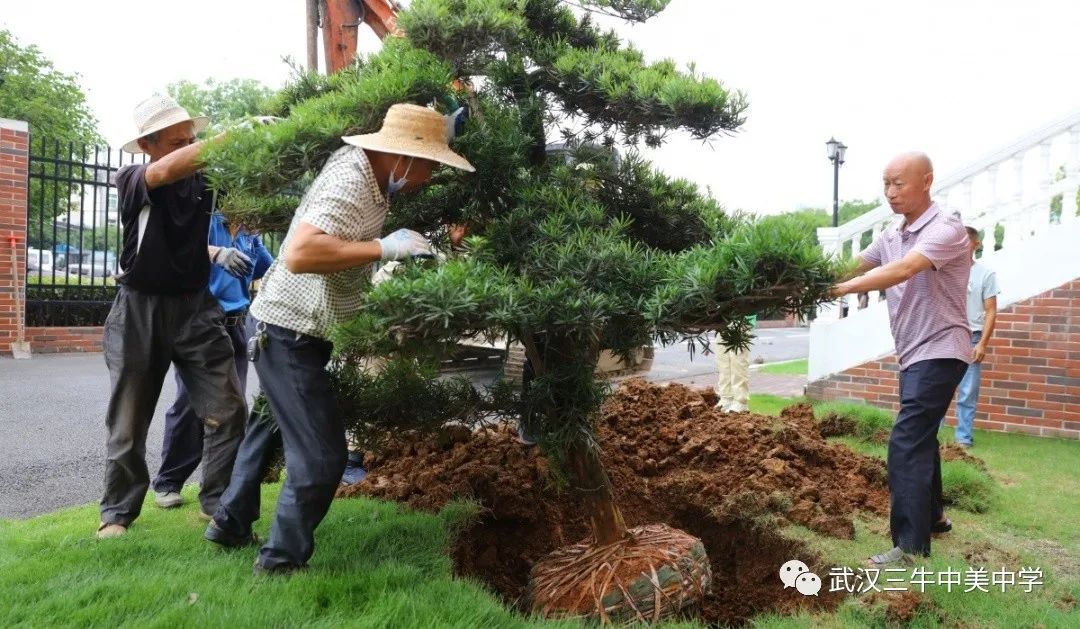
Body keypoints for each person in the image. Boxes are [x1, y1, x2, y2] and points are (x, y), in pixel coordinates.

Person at [204, 103, 474, 575]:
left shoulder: (372, 175)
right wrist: (385, 247)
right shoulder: (352, 178)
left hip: (292, 327)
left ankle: (229, 524)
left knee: (268, 426)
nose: (429, 178)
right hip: (289, 332)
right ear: (402, 156)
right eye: (430, 164)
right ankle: (279, 564)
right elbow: (301, 252)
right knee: (323, 458)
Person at [98, 95, 247, 539]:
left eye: (192, 139)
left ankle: (218, 506)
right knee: (128, 419)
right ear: (148, 144)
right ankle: (117, 514)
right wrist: (232, 137)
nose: (189, 147)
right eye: (177, 141)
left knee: (228, 408)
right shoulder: (133, 178)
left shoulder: (205, 182)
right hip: (139, 307)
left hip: (197, 308)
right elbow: (164, 173)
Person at [830, 152, 971, 566]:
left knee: (906, 441)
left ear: (926, 181)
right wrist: (806, 279)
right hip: (914, 353)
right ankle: (935, 518)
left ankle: (909, 547)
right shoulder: (893, 234)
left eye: (899, 183)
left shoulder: (947, 228)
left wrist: (841, 291)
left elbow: (905, 270)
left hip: (942, 348)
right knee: (921, 436)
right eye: (886, 184)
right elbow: (854, 264)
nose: (891, 192)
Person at [150, 211, 275, 509]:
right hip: (203, 325)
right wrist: (216, 253)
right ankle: (168, 481)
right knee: (190, 406)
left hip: (236, 327)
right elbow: (177, 248)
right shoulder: (206, 221)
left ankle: (218, 491)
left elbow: (269, 269)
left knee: (231, 409)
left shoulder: (250, 235)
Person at [949, 226, 999, 448]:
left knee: (968, 392)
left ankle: (963, 439)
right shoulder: (944, 271)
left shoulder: (985, 274)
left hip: (972, 338)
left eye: (965, 241)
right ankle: (930, 437)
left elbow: (991, 311)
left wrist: (982, 344)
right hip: (945, 336)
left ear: (975, 245)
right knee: (937, 390)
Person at [714, 315, 756, 413]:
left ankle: (741, 402)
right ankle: (726, 397)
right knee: (723, 361)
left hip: (742, 319)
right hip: (723, 320)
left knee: (738, 362)